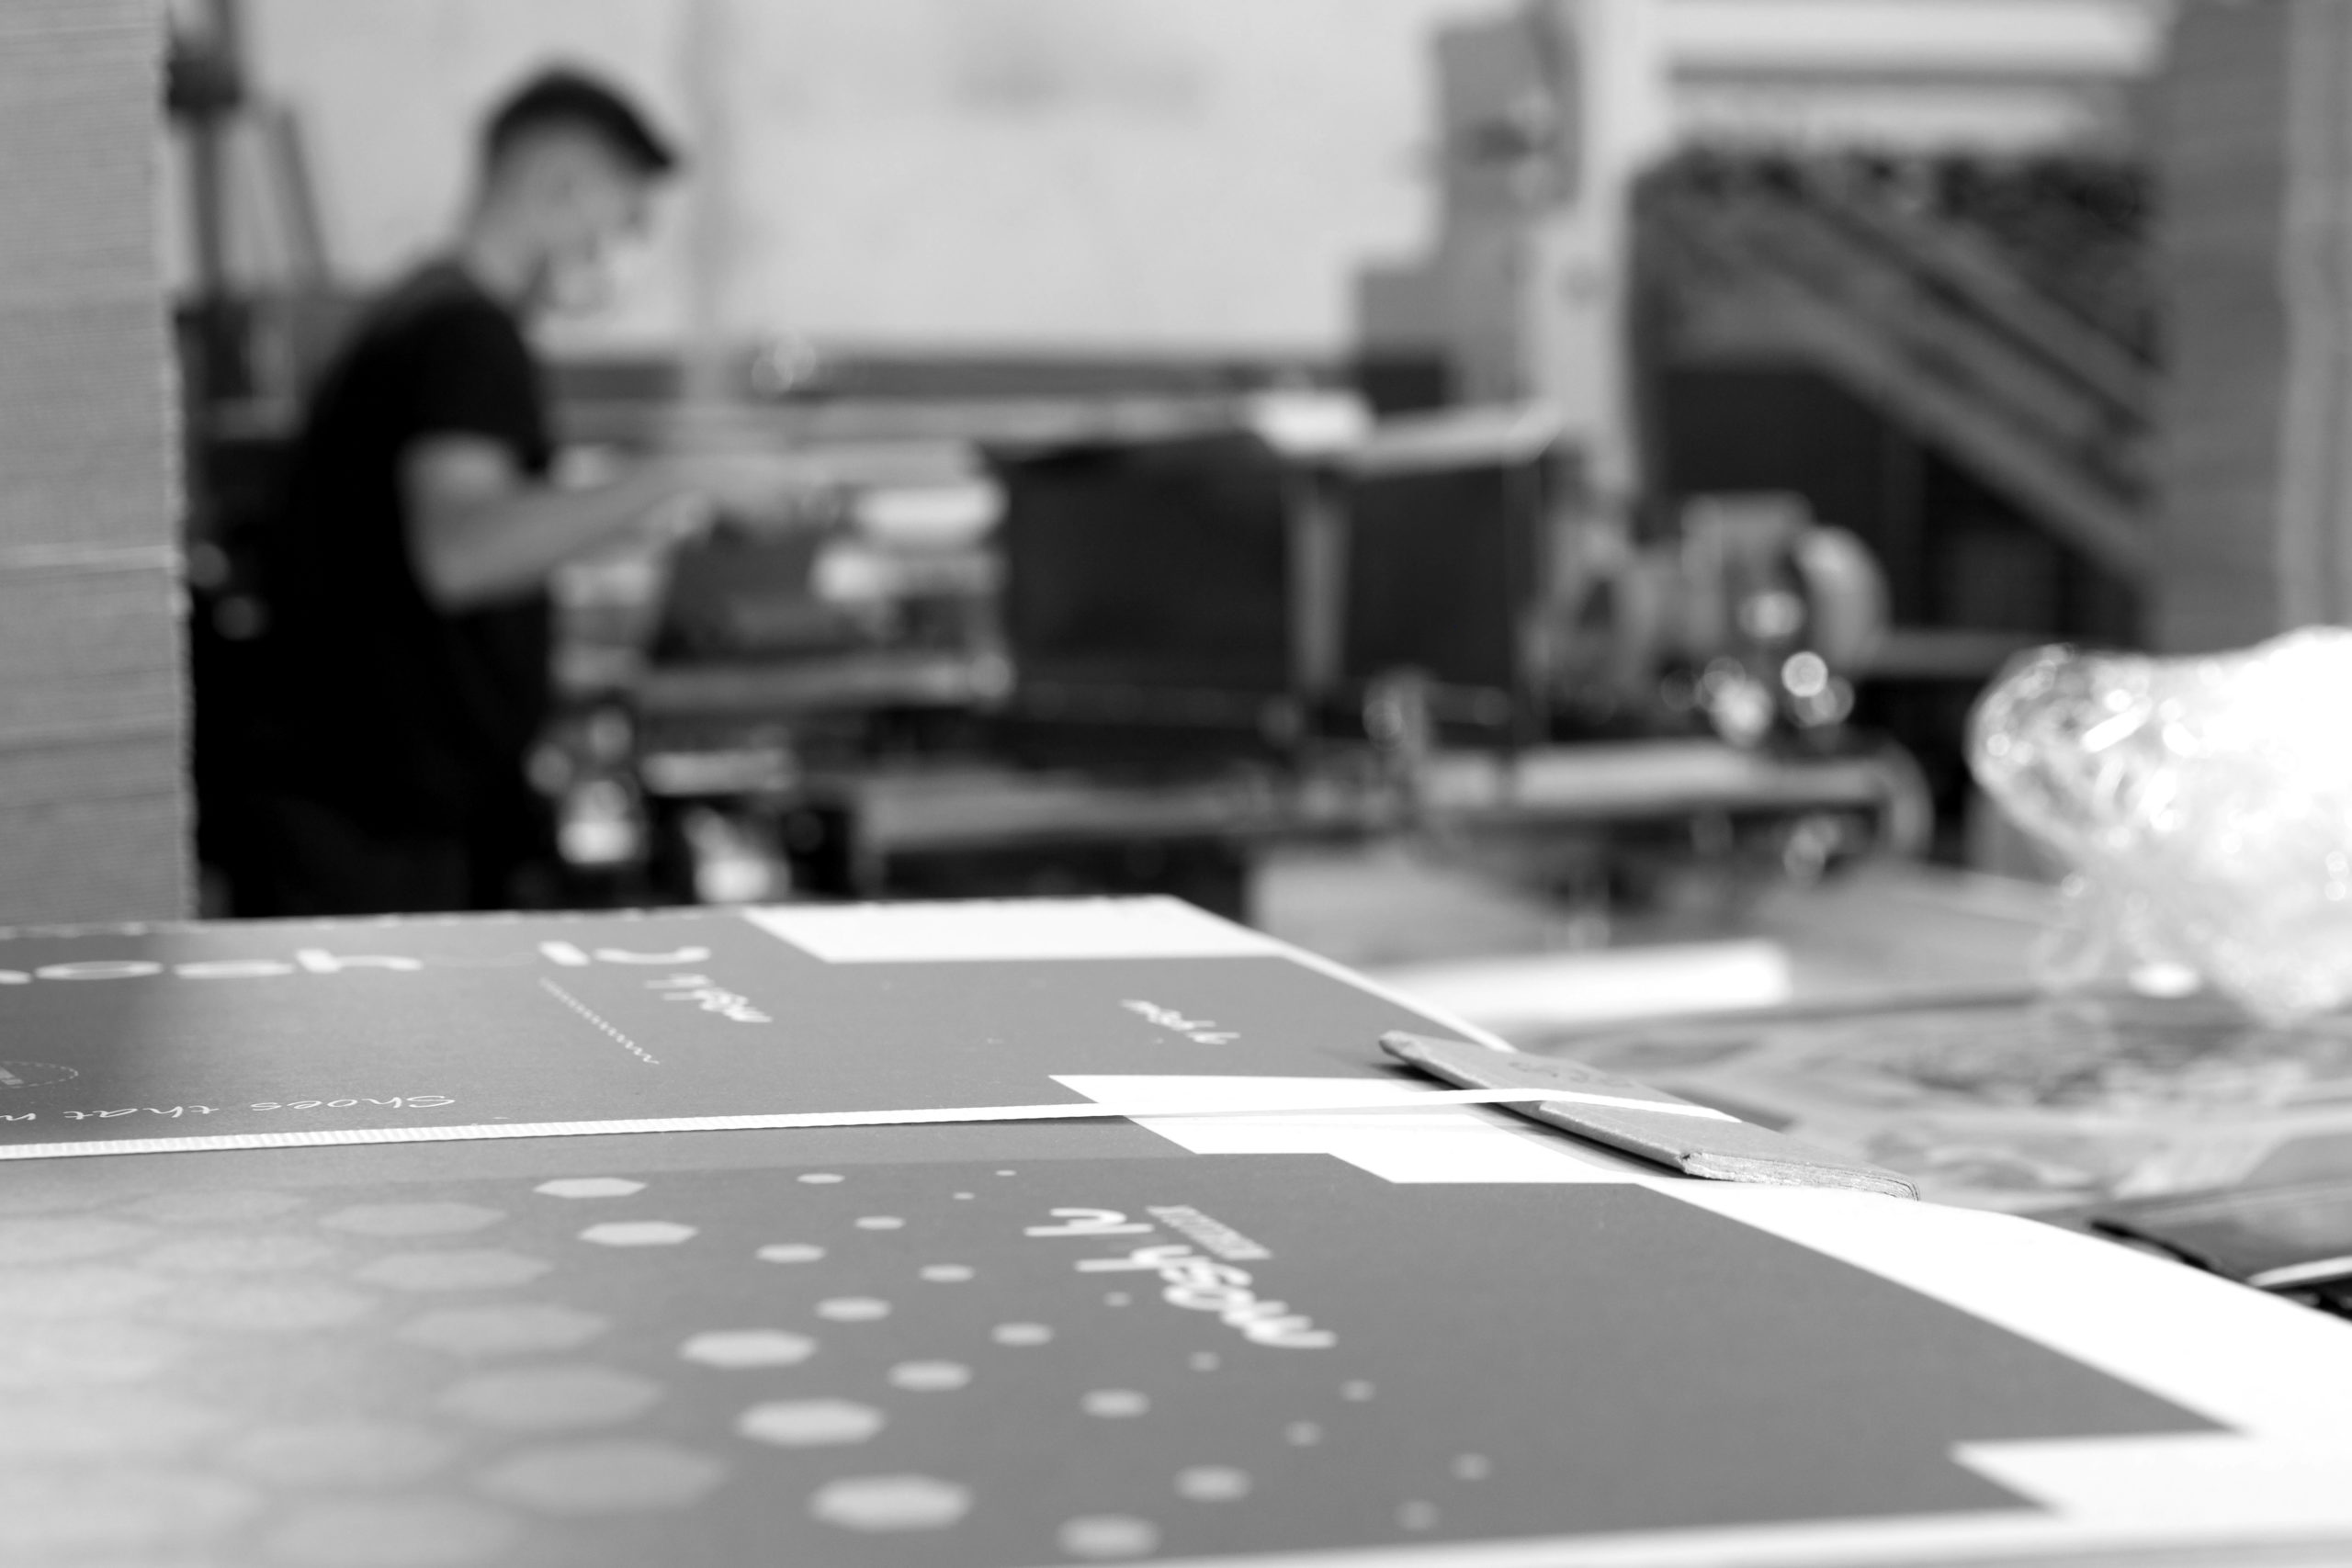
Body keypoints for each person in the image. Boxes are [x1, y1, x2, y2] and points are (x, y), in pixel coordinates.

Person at [251, 67, 709, 915]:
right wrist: (678, 475)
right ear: (561, 187)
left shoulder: (413, 312)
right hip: (377, 819)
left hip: (358, 803)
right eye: (624, 221)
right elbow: (461, 552)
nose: (623, 253)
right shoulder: (467, 337)